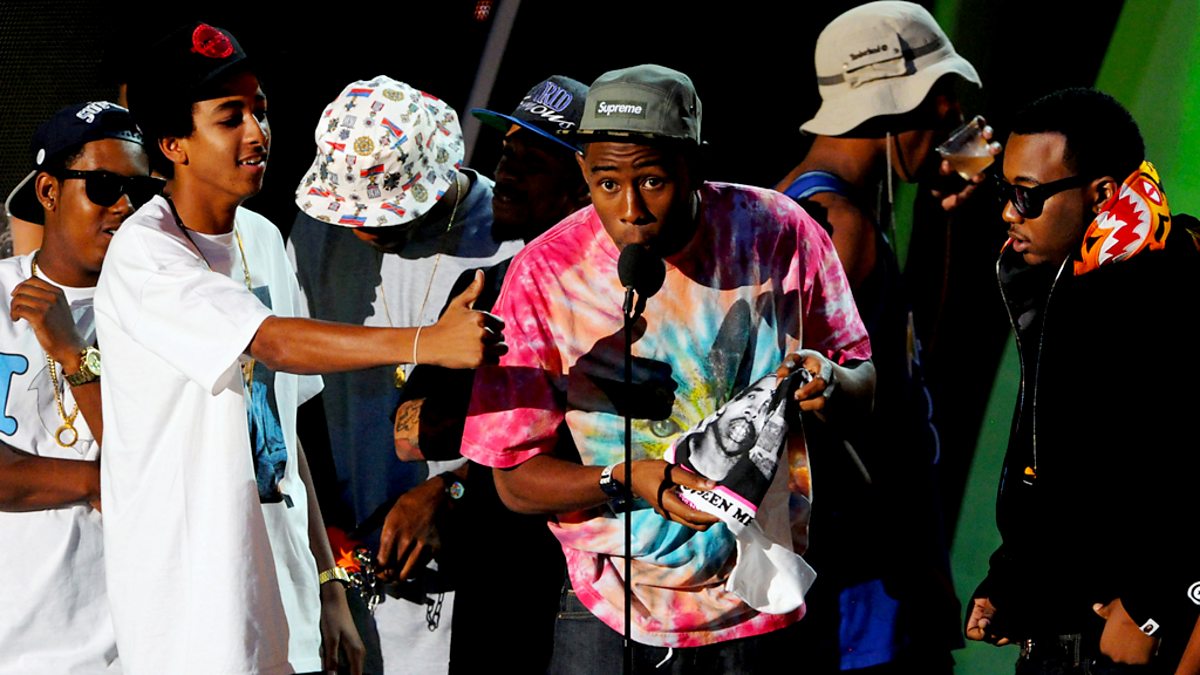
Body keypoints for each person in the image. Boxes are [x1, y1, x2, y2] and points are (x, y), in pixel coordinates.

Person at [98, 24, 500, 675]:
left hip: (284, 598)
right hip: (192, 609)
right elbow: (273, 343)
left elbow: (285, 438)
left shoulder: (261, 237)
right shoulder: (146, 252)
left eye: (260, 109)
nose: (257, 133)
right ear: (173, 144)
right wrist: (429, 341)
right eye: (230, 118)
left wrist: (327, 585)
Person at [460, 64, 875, 672]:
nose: (631, 209)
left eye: (652, 181)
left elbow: (862, 378)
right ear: (584, 172)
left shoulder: (779, 231)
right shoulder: (544, 275)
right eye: (606, 184)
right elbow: (514, 481)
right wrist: (625, 480)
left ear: (696, 164)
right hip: (610, 608)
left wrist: (831, 380)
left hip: (761, 597)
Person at [288, 74, 555, 674]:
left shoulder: (512, 232)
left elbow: (555, 416)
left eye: (380, 213)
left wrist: (453, 490)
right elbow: (295, 386)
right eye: (349, 212)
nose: (360, 228)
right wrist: (320, 516)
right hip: (346, 551)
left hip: (474, 561)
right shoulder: (317, 231)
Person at [773, 2, 986, 671]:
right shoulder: (839, 226)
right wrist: (917, 567)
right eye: (944, 98)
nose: (955, 118)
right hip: (862, 578)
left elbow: (907, 365)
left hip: (867, 567)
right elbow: (852, 420)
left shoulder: (834, 212)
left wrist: (944, 212)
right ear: (900, 102)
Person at [965, 87, 1200, 674]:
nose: (1009, 212)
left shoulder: (1169, 288)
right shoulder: (1067, 279)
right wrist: (1011, 577)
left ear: (1100, 194)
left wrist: (1151, 608)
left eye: (1028, 194)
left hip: (1126, 650)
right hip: (1058, 640)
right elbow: (1065, 474)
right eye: (1005, 190)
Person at [387, 74, 592, 673]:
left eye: (532, 162)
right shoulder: (483, 288)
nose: (505, 174)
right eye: (506, 154)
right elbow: (409, 435)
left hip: (589, 579)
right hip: (498, 578)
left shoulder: (619, 291)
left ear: (584, 183)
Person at [0, 101, 158, 675]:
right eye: (105, 186)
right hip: (15, 643)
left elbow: (159, 474)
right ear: (48, 191)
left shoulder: (163, 307)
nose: (126, 206)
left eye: (140, 191)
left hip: (134, 644)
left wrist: (71, 350)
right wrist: (97, 481)